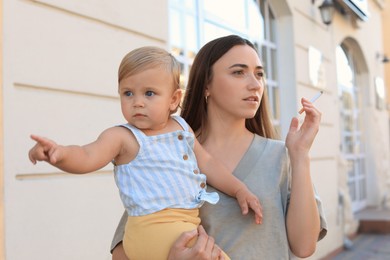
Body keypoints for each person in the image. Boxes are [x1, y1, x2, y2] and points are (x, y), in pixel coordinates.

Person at [28, 46, 263, 260]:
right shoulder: (122, 137)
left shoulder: (182, 128)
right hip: (151, 229)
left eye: (149, 93)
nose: (137, 102)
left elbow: (208, 164)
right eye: (128, 93)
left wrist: (239, 189)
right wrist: (58, 154)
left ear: (173, 99)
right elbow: (87, 156)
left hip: (184, 225)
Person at [111, 35, 327, 260]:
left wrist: (300, 156)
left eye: (259, 74)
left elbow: (304, 247)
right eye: (238, 72)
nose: (255, 84)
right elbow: (124, 250)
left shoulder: (282, 156)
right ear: (206, 84)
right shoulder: (166, 151)